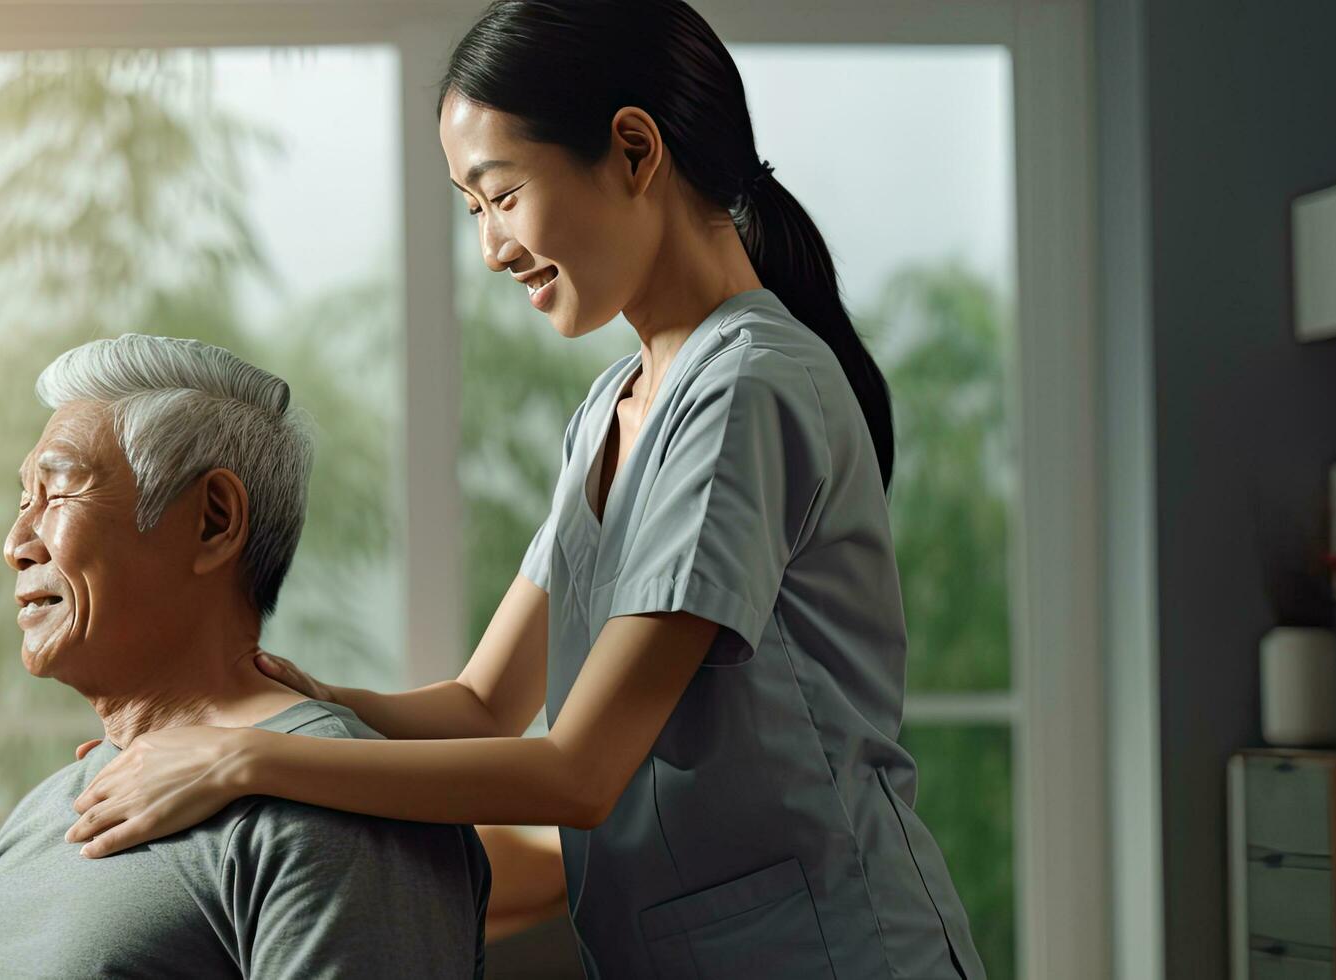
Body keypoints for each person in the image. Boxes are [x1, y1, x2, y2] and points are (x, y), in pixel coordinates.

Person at [58, 3, 985, 977]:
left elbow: (577, 771)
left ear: (632, 150)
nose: (490, 247)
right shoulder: (608, 409)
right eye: (470, 209)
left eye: (499, 194)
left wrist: (245, 760)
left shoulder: (745, 390)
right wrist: (285, 704)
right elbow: (477, 704)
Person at [0, 334, 491, 978]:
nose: (17, 544)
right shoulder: (41, 812)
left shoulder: (341, 806)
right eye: (22, 501)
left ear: (212, 519)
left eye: (59, 493)